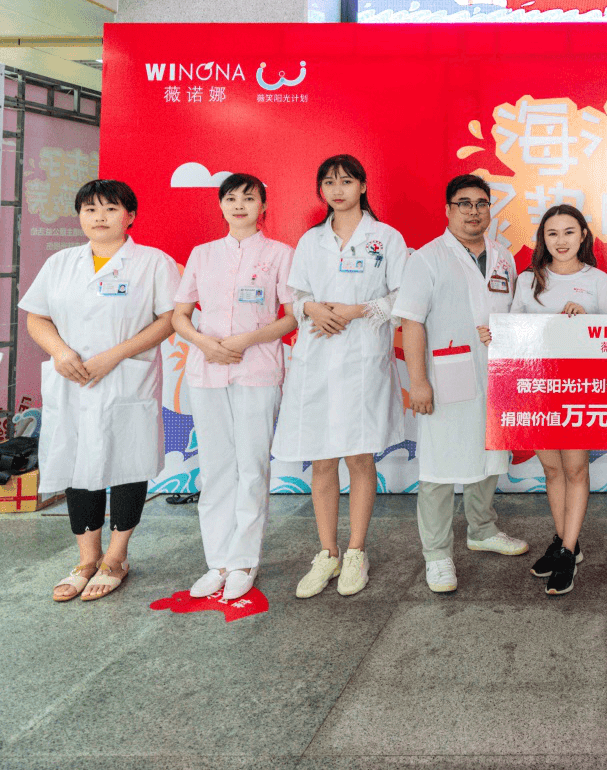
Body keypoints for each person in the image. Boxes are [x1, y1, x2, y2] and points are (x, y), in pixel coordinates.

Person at [21, 179, 179, 602]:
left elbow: (169, 319)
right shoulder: (60, 263)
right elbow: (37, 317)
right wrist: (60, 352)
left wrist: (114, 355)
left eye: (110, 209)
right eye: (89, 209)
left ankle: (116, 558)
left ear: (130, 216)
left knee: (127, 462)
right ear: (79, 216)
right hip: (72, 379)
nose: (99, 217)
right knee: (77, 464)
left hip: (125, 377)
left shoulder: (152, 262)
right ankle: (86, 560)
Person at [272, 154, 407, 599]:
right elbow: (296, 297)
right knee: (322, 459)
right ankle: (327, 552)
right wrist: (312, 308)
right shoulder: (311, 240)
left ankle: (355, 552)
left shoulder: (385, 238)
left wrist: (356, 311)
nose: (337, 190)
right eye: (329, 182)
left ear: (363, 186)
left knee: (359, 456)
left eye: (346, 181)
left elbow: (402, 296)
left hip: (362, 358)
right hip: (316, 356)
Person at [397, 173, 528, 595]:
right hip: (446, 375)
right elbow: (412, 322)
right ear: (448, 209)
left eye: (481, 203)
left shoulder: (503, 257)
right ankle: (437, 554)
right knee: (438, 468)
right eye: (464, 203)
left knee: (488, 455)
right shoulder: (427, 258)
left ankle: (482, 529)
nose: (474, 211)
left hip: (497, 374)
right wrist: (418, 382)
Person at [172, 173, 297, 601]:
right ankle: (218, 561)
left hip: (257, 369)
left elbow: (291, 316)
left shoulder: (280, 254)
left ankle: (244, 560)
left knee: (252, 466)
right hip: (207, 370)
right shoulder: (203, 254)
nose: (239, 205)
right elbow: (180, 315)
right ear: (220, 205)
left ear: (263, 206)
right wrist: (204, 343)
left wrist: (246, 340)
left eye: (249, 198)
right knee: (215, 468)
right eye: (231, 198)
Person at [508, 204, 607, 595]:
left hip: (579, 389)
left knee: (576, 470)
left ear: (583, 235)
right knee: (552, 471)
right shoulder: (528, 280)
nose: (561, 241)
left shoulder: (598, 280)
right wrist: (494, 335)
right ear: (543, 239)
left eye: (569, 232)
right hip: (536, 388)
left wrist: (587, 318)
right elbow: (513, 330)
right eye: (552, 233)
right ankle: (565, 541)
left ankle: (567, 553)